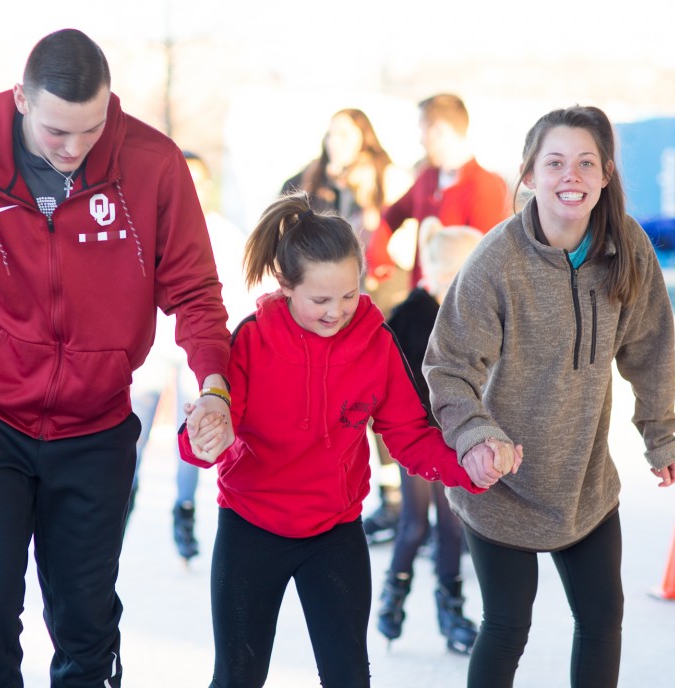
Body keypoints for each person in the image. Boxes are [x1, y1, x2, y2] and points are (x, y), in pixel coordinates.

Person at [0, 28, 232, 688]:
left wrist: (216, 385)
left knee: (85, 619)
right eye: (56, 133)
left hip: (95, 429)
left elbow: (194, 289)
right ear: (20, 100)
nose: (73, 151)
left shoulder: (152, 166)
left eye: (91, 130)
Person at [178, 192, 505, 688]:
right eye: (320, 300)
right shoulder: (252, 340)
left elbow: (410, 435)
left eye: (349, 295)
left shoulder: (375, 342)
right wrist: (202, 435)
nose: (337, 312)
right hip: (251, 526)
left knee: (349, 677)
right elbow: (211, 427)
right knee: (237, 676)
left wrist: (470, 466)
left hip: (333, 531)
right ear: (286, 286)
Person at [423, 105, 675, 687]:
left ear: (606, 174)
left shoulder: (627, 248)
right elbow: (449, 365)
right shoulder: (497, 260)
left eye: (585, 163)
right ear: (529, 175)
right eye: (555, 162)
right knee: (507, 625)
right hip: (500, 482)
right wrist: (477, 437)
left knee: (601, 619)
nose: (571, 175)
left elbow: (649, 345)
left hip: (583, 482)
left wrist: (660, 431)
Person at [284, 108, 411, 545]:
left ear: (364, 137)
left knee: (380, 397)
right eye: (331, 132)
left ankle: (396, 499)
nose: (335, 139)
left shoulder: (385, 175)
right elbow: (284, 217)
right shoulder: (313, 177)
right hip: (327, 300)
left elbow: (403, 236)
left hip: (379, 295)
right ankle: (335, 487)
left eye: (346, 132)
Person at [127, 151, 253, 561]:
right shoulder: (147, 223)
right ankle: (121, 504)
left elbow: (235, 290)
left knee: (192, 427)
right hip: (152, 345)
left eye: (200, 181)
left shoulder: (224, 233)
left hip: (197, 350)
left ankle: (184, 511)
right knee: (135, 429)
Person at [377, 217, 484, 655]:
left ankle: (451, 609)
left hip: (456, 438)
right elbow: (391, 380)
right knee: (415, 524)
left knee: (453, 524)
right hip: (416, 439)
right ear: (446, 272)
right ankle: (393, 597)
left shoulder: (471, 313)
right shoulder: (410, 314)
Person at [383, 93, 510, 288]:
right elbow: (393, 215)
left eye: (422, 131)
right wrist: (378, 257)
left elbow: (489, 263)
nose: (421, 141)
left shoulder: (485, 186)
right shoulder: (427, 177)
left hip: (456, 306)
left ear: (438, 130)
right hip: (420, 301)